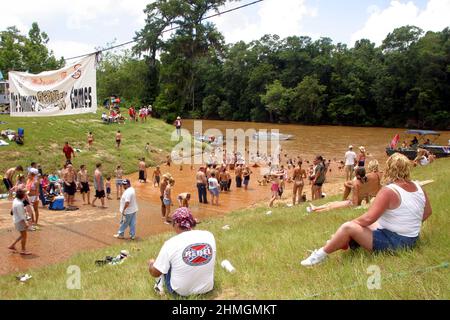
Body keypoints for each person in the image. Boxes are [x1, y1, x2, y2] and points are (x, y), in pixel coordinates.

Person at [301, 153, 432, 266]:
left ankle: (320, 255)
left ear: (389, 168)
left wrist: (351, 227)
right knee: (370, 225)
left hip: (397, 243)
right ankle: (341, 242)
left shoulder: (389, 190)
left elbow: (368, 218)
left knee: (348, 227)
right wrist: (408, 224)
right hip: (412, 239)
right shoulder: (418, 187)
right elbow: (427, 212)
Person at [148, 207, 216, 297]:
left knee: (162, 264)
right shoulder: (208, 235)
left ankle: (158, 286)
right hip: (207, 288)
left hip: (181, 293)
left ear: (176, 224)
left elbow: (155, 273)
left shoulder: (171, 243)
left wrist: (151, 264)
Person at [8, 190, 32, 255]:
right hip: (20, 221)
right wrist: (26, 223)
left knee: (22, 234)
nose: (25, 195)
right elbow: (22, 216)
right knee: (24, 236)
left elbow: (13, 211)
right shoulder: (19, 204)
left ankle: (12, 245)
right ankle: (23, 250)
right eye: (25, 194)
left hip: (16, 220)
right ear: (23, 196)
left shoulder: (15, 200)